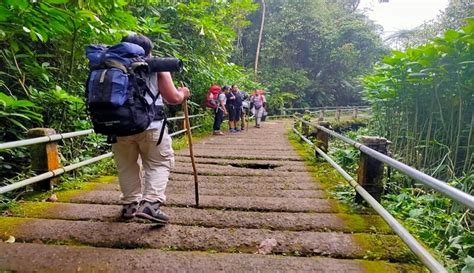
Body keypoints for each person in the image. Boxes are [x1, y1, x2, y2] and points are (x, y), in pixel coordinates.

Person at [113, 33, 190, 224]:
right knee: (159, 163)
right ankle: (151, 204)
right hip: (151, 125)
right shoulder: (157, 66)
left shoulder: (110, 65)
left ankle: (130, 205)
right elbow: (172, 98)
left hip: (117, 126)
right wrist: (183, 93)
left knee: (127, 165)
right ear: (148, 51)